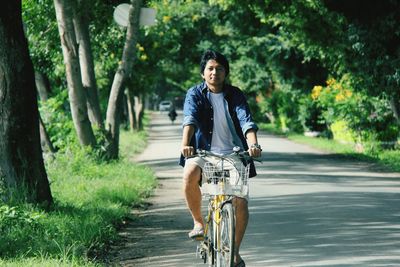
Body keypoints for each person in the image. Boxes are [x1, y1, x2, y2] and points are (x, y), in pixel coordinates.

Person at [179, 50, 262, 267]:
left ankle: (234, 253)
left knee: (240, 202)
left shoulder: (235, 94)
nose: (215, 72)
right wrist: (186, 144)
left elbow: (247, 121)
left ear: (226, 73)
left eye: (219, 69)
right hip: (203, 153)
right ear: (203, 73)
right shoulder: (195, 93)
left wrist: (252, 144)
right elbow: (191, 118)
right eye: (210, 68)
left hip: (233, 154)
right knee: (189, 172)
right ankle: (198, 223)